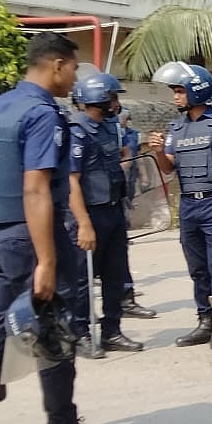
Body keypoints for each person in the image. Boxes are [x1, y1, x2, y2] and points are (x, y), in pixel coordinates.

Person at [0, 32, 90, 424]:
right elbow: (36, 188)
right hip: (33, 237)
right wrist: (47, 261)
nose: (74, 78)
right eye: (73, 68)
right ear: (56, 65)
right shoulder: (42, 114)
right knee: (55, 329)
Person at [148, 62, 212, 355]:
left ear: (196, 92)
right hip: (189, 205)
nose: (175, 97)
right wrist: (157, 150)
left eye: (180, 91)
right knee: (198, 270)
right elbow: (167, 168)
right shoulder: (176, 127)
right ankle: (204, 322)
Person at [65, 71, 143, 356]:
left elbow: (120, 159)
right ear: (99, 99)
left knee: (114, 274)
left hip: (112, 211)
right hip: (88, 215)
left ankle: (112, 330)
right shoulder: (77, 131)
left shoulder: (111, 127)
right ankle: (81, 333)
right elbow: (72, 180)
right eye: (112, 97)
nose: (116, 102)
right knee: (83, 278)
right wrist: (83, 223)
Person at [114, 108, 157, 320]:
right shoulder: (81, 130)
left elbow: (135, 157)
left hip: (123, 186)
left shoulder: (128, 135)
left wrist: (143, 177)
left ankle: (126, 300)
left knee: (119, 252)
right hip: (95, 201)